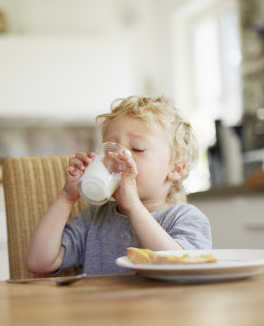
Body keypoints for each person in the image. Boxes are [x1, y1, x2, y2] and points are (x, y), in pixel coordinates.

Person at [26, 95, 211, 275]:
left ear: (176, 169)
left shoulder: (187, 218)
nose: (118, 156)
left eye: (137, 148)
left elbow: (182, 267)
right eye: (110, 147)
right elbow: (39, 262)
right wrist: (67, 198)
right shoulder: (94, 219)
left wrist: (133, 206)